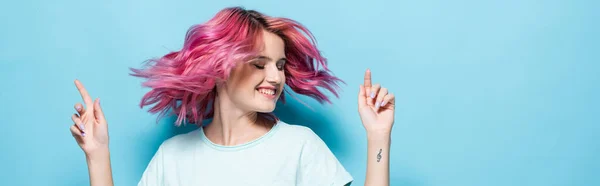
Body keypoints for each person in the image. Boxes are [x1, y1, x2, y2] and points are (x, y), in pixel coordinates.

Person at [69, 7, 395, 186]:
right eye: (259, 64)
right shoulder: (173, 156)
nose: (275, 77)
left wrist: (378, 138)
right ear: (221, 68)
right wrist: (97, 155)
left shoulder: (299, 147)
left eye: (280, 66)